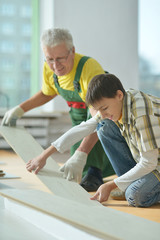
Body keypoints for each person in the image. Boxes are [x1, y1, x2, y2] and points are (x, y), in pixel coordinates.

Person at [1, 28, 114, 192]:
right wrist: (20, 109)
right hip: (78, 118)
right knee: (76, 171)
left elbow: (98, 119)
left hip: (101, 118)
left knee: (95, 163)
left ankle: (99, 174)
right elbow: (48, 93)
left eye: (60, 58)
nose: (55, 65)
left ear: (72, 51)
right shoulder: (50, 68)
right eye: (50, 59)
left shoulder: (88, 69)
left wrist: (81, 154)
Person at [27, 73, 160, 207]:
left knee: (134, 196)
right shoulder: (117, 103)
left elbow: (149, 162)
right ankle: (130, 184)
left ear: (119, 95)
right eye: (98, 110)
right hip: (151, 161)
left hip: (154, 164)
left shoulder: (141, 114)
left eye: (104, 108)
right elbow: (83, 128)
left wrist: (111, 185)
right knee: (104, 126)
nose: (102, 114)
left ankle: (131, 186)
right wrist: (44, 155)